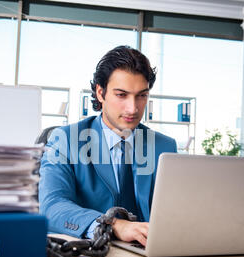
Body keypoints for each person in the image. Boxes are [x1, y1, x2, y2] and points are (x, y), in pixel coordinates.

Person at [39, 45, 177, 246]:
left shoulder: (164, 146)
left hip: (149, 252)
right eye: (121, 95)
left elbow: (176, 211)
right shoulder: (65, 139)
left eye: (141, 95)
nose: (133, 108)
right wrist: (112, 225)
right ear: (100, 93)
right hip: (92, 253)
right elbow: (51, 206)